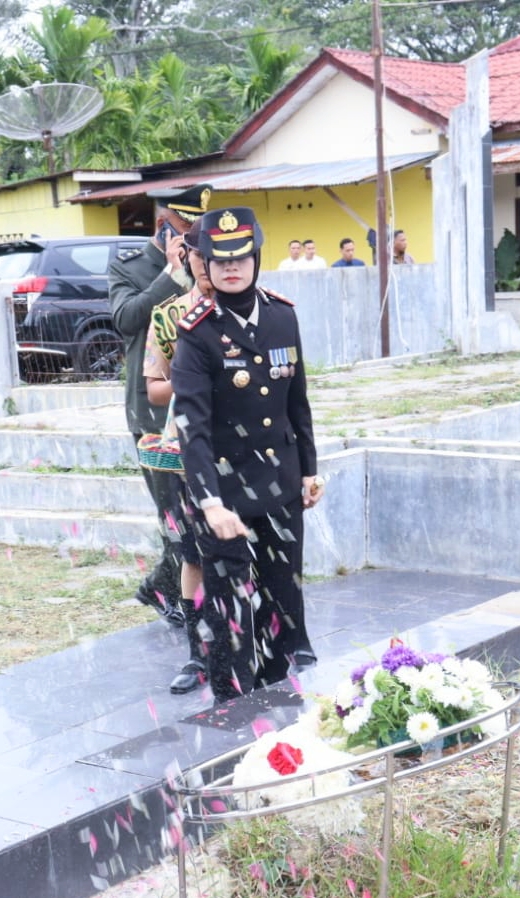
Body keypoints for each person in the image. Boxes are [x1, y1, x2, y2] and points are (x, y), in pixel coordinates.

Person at [171, 206, 323, 702]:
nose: (231, 268)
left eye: (240, 258)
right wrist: (209, 503)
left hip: (281, 484)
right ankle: (232, 714)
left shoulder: (283, 316)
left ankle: (281, 700)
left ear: (256, 259)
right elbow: (191, 427)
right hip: (225, 497)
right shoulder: (196, 332)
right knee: (231, 614)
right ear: (206, 267)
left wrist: (309, 473)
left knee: (283, 602)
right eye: (220, 261)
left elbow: (297, 403)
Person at [109, 183, 212, 629]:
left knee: (202, 514)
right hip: (154, 410)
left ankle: (163, 587)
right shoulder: (130, 265)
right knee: (175, 516)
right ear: (163, 226)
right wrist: (169, 276)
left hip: (204, 408)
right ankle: (176, 594)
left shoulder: (207, 260)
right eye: (186, 231)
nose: (193, 241)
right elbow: (125, 319)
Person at [142, 228, 214, 694]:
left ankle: (249, 642)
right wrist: (194, 380)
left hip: (244, 450)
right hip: (187, 449)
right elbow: (153, 389)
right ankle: (197, 652)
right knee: (193, 553)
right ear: (186, 257)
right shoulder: (168, 316)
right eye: (201, 257)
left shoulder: (251, 309)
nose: (211, 268)